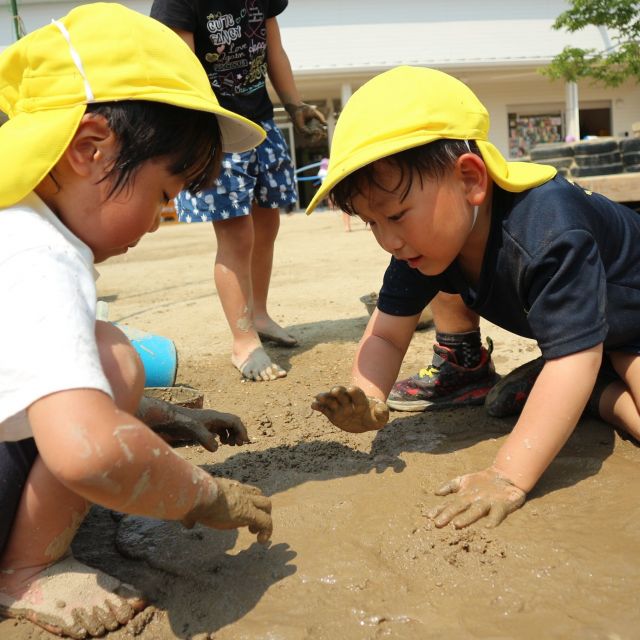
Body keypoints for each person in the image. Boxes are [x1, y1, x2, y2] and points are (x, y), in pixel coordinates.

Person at [0, 5, 272, 637]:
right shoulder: (40, 254)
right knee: (116, 358)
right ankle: (25, 569)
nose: (159, 219)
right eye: (164, 194)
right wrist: (205, 495)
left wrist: (154, 413)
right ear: (90, 150)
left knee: (104, 354)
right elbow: (88, 451)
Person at [308, 65, 640, 530]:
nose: (388, 240)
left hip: (624, 327)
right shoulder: (421, 246)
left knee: (589, 371)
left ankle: (598, 380)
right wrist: (368, 395)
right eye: (372, 223)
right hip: (597, 340)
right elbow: (386, 334)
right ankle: (596, 388)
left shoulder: (549, 231)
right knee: (583, 370)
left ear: (470, 180)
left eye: (397, 215)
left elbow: (572, 361)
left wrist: (507, 474)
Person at [150, 0, 326, 382]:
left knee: (267, 226)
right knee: (236, 235)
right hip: (216, 128)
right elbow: (180, 69)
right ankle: (243, 341)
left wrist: (294, 106)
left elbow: (272, 49)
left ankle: (258, 313)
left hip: (261, 121)